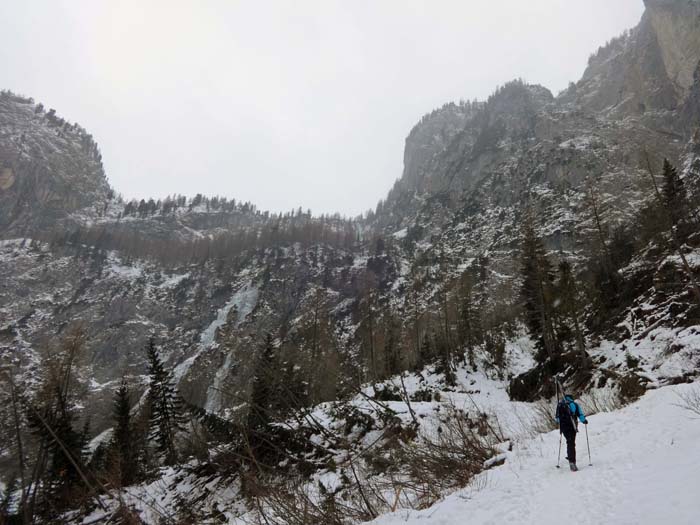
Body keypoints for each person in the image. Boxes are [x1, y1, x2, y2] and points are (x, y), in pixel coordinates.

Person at [555, 393, 588, 471]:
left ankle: (570, 456)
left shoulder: (560, 405)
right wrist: (584, 421)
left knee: (569, 441)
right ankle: (572, 462)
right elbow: (580, 414)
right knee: (571, 443)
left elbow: (557, 419)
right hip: (572, 427)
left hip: (564, 428)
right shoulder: (574, 405)